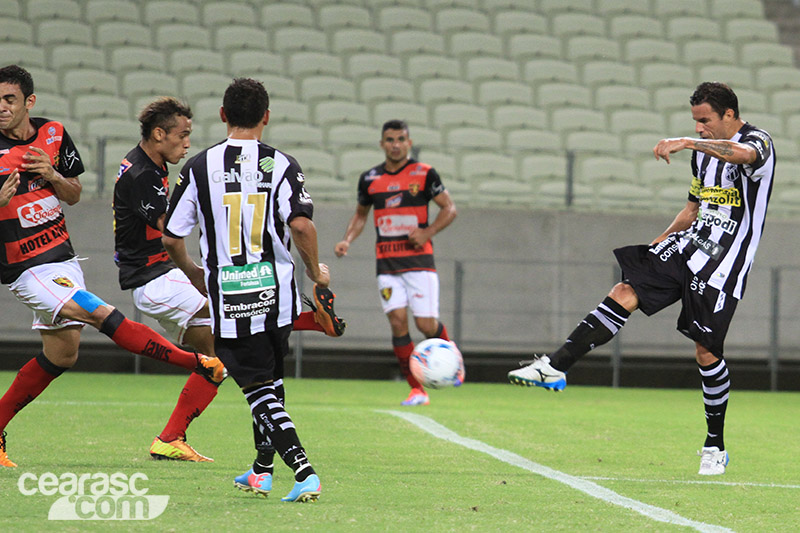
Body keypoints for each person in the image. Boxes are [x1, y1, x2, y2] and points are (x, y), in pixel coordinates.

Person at [508, 82, 775, 476]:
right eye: (695, 122)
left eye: (705, 120)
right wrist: (660, 242)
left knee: (706, 351)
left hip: (724, 262)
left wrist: (688, 142)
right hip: (688, 244)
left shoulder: (758, 142)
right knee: (625, 290)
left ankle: (715, 446)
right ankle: (555, 366)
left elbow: (744, 155)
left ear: (730, 115)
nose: (699, 128)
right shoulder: (701, 157)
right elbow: (693, 209)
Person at [0, 65, 226, 469]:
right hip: (25, 267)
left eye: (9, 99)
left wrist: (52, 174)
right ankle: (196, 363)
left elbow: (73, 193)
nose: (1, 107)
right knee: (97, 311)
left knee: (62, 355)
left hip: (63, 259)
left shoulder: (53, 133)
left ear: (29, 102)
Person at [112, 98, 345, 463]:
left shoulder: (154, 167)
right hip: (155, 277)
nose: (187, 143)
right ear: (159, 134)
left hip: (163, 275)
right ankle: (311, 322)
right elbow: (169, 230)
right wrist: (198, 264)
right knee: (233, 321)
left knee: (220, 356)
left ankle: (171, 439)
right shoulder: (141, 174)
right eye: (182, 135)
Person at [162, 77, 325, 502]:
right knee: (270, 380)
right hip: (277, 295)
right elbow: (302, 225)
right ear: (266, 117)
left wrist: (194, 273)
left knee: (256, 388)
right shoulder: (281, 164)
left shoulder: (199, 167)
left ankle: (303, 471)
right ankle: (262, 470)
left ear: (222, 115)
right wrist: (316, 273)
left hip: (232, 296)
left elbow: (172, 236)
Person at [334, 120, 457, 406]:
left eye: (401, 139)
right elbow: (361, 214)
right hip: (387, 265)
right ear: (382, 144)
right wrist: (347, 239)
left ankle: (454, 362)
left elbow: (449, 208)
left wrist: (427, 232)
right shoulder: (370, 178)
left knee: (426, 325)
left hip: (419, 263)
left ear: (409, 143)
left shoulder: (424, 173)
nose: (396, 144)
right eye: (390, 140)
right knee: (398, 323)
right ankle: (417, 389)